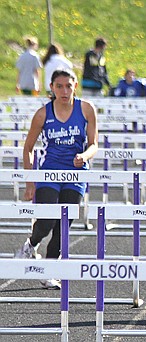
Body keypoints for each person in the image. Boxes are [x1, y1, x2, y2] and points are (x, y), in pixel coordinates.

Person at [14, 69, 98, 289]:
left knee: (63, 226)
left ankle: (49, 270)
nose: (64, 91)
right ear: (51, 87)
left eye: (68, 86)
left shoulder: (86, 109)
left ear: (75, 86)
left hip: (75, 174)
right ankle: (31, 244)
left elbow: (94, 144)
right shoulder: (43, 114)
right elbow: (28, 148)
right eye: (59, 86)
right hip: (49, 172)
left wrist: (84, 156)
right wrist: (30, 182)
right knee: (46, 222)